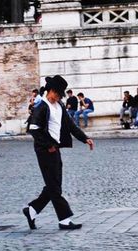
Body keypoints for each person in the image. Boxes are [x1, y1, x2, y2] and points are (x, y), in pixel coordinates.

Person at [22, 75, 94, 230]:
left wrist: (85, 138)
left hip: (55, 148)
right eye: (57, 94)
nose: (59, 97)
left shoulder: (59, 105)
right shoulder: (41, 106)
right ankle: (64, 220)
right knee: (54, 187)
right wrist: (48, 145)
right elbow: (34, 130)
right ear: (51, 91)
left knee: (54, 184)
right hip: (44, 150)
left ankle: (32, 210)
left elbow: (70, 125)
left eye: (60, 95)